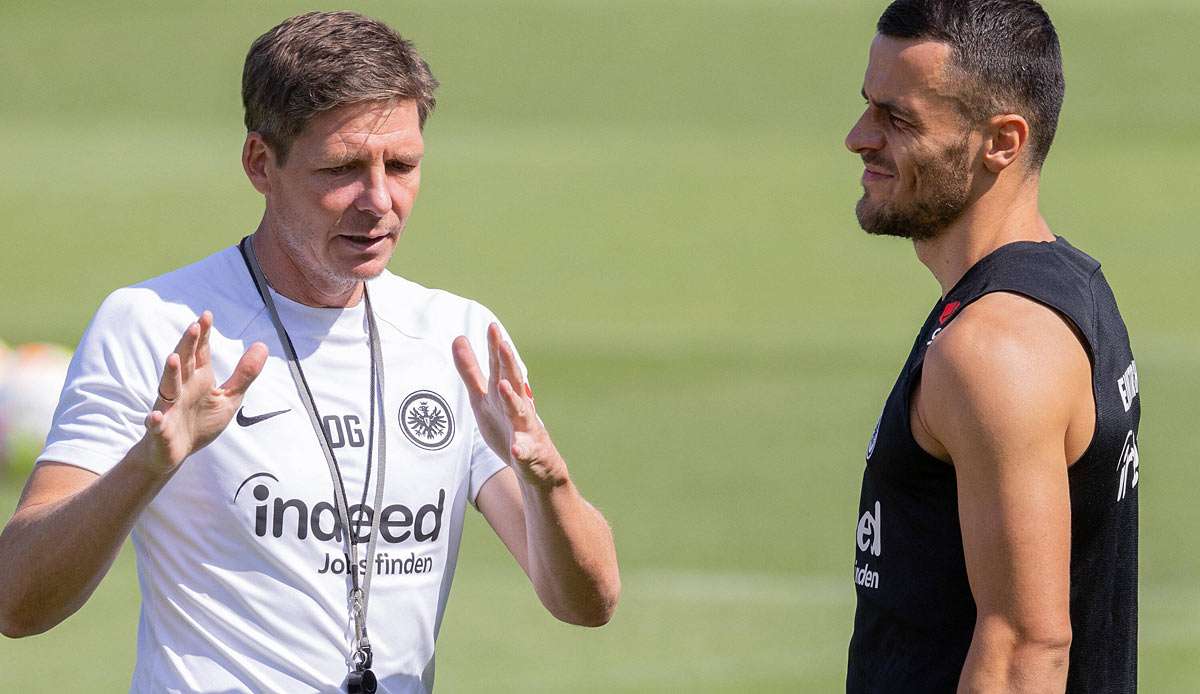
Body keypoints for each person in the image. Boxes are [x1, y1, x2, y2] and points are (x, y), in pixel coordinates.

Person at [0, 11, 619, 693]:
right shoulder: (154, 328)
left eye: (403, 165)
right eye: (343, 168)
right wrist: (148, 464)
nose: (380, 201)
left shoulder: (457, 340)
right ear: (261, 164)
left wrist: (546, 478)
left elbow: (587, 603)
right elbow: (18, 603)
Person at [843, 1, 1138, 692]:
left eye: (899, 119)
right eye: (867, 106)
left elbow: (1024, 651)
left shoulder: (996, 351)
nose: (858, 138)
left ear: (1001, 141)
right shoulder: (1065, 285)